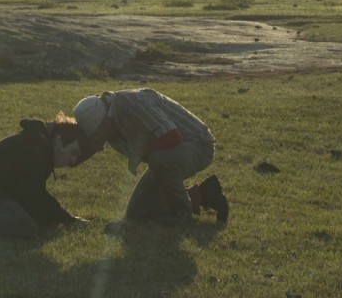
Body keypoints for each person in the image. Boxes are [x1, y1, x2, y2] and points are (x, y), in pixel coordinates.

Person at [72, 88, 229, 226]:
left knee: (158, 160)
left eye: (96, 136)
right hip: (166, 154)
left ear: (103, 121)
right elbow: (87, 149)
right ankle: (205, 194)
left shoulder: (134, 104)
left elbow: (173, 136)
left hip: (198, 144)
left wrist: (139, 153)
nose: (99, 145)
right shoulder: (109, 120)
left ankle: (180, 212)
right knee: (137, 211)